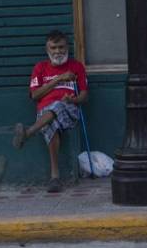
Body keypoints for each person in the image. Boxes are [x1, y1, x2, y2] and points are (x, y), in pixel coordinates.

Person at [12, 30, 89, 193]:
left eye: (61, 47)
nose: (58, 51)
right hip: (45, 112)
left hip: (70, 110)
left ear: (67, 47)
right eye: (53, 48)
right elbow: (35, 95)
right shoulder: (40, 68)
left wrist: (73, 100)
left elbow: (83, 95)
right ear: (47, 50)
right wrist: (58, 79)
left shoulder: (76, 67)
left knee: (58, 105)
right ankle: (55, 178)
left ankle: (29, 131)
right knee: (50, 125)